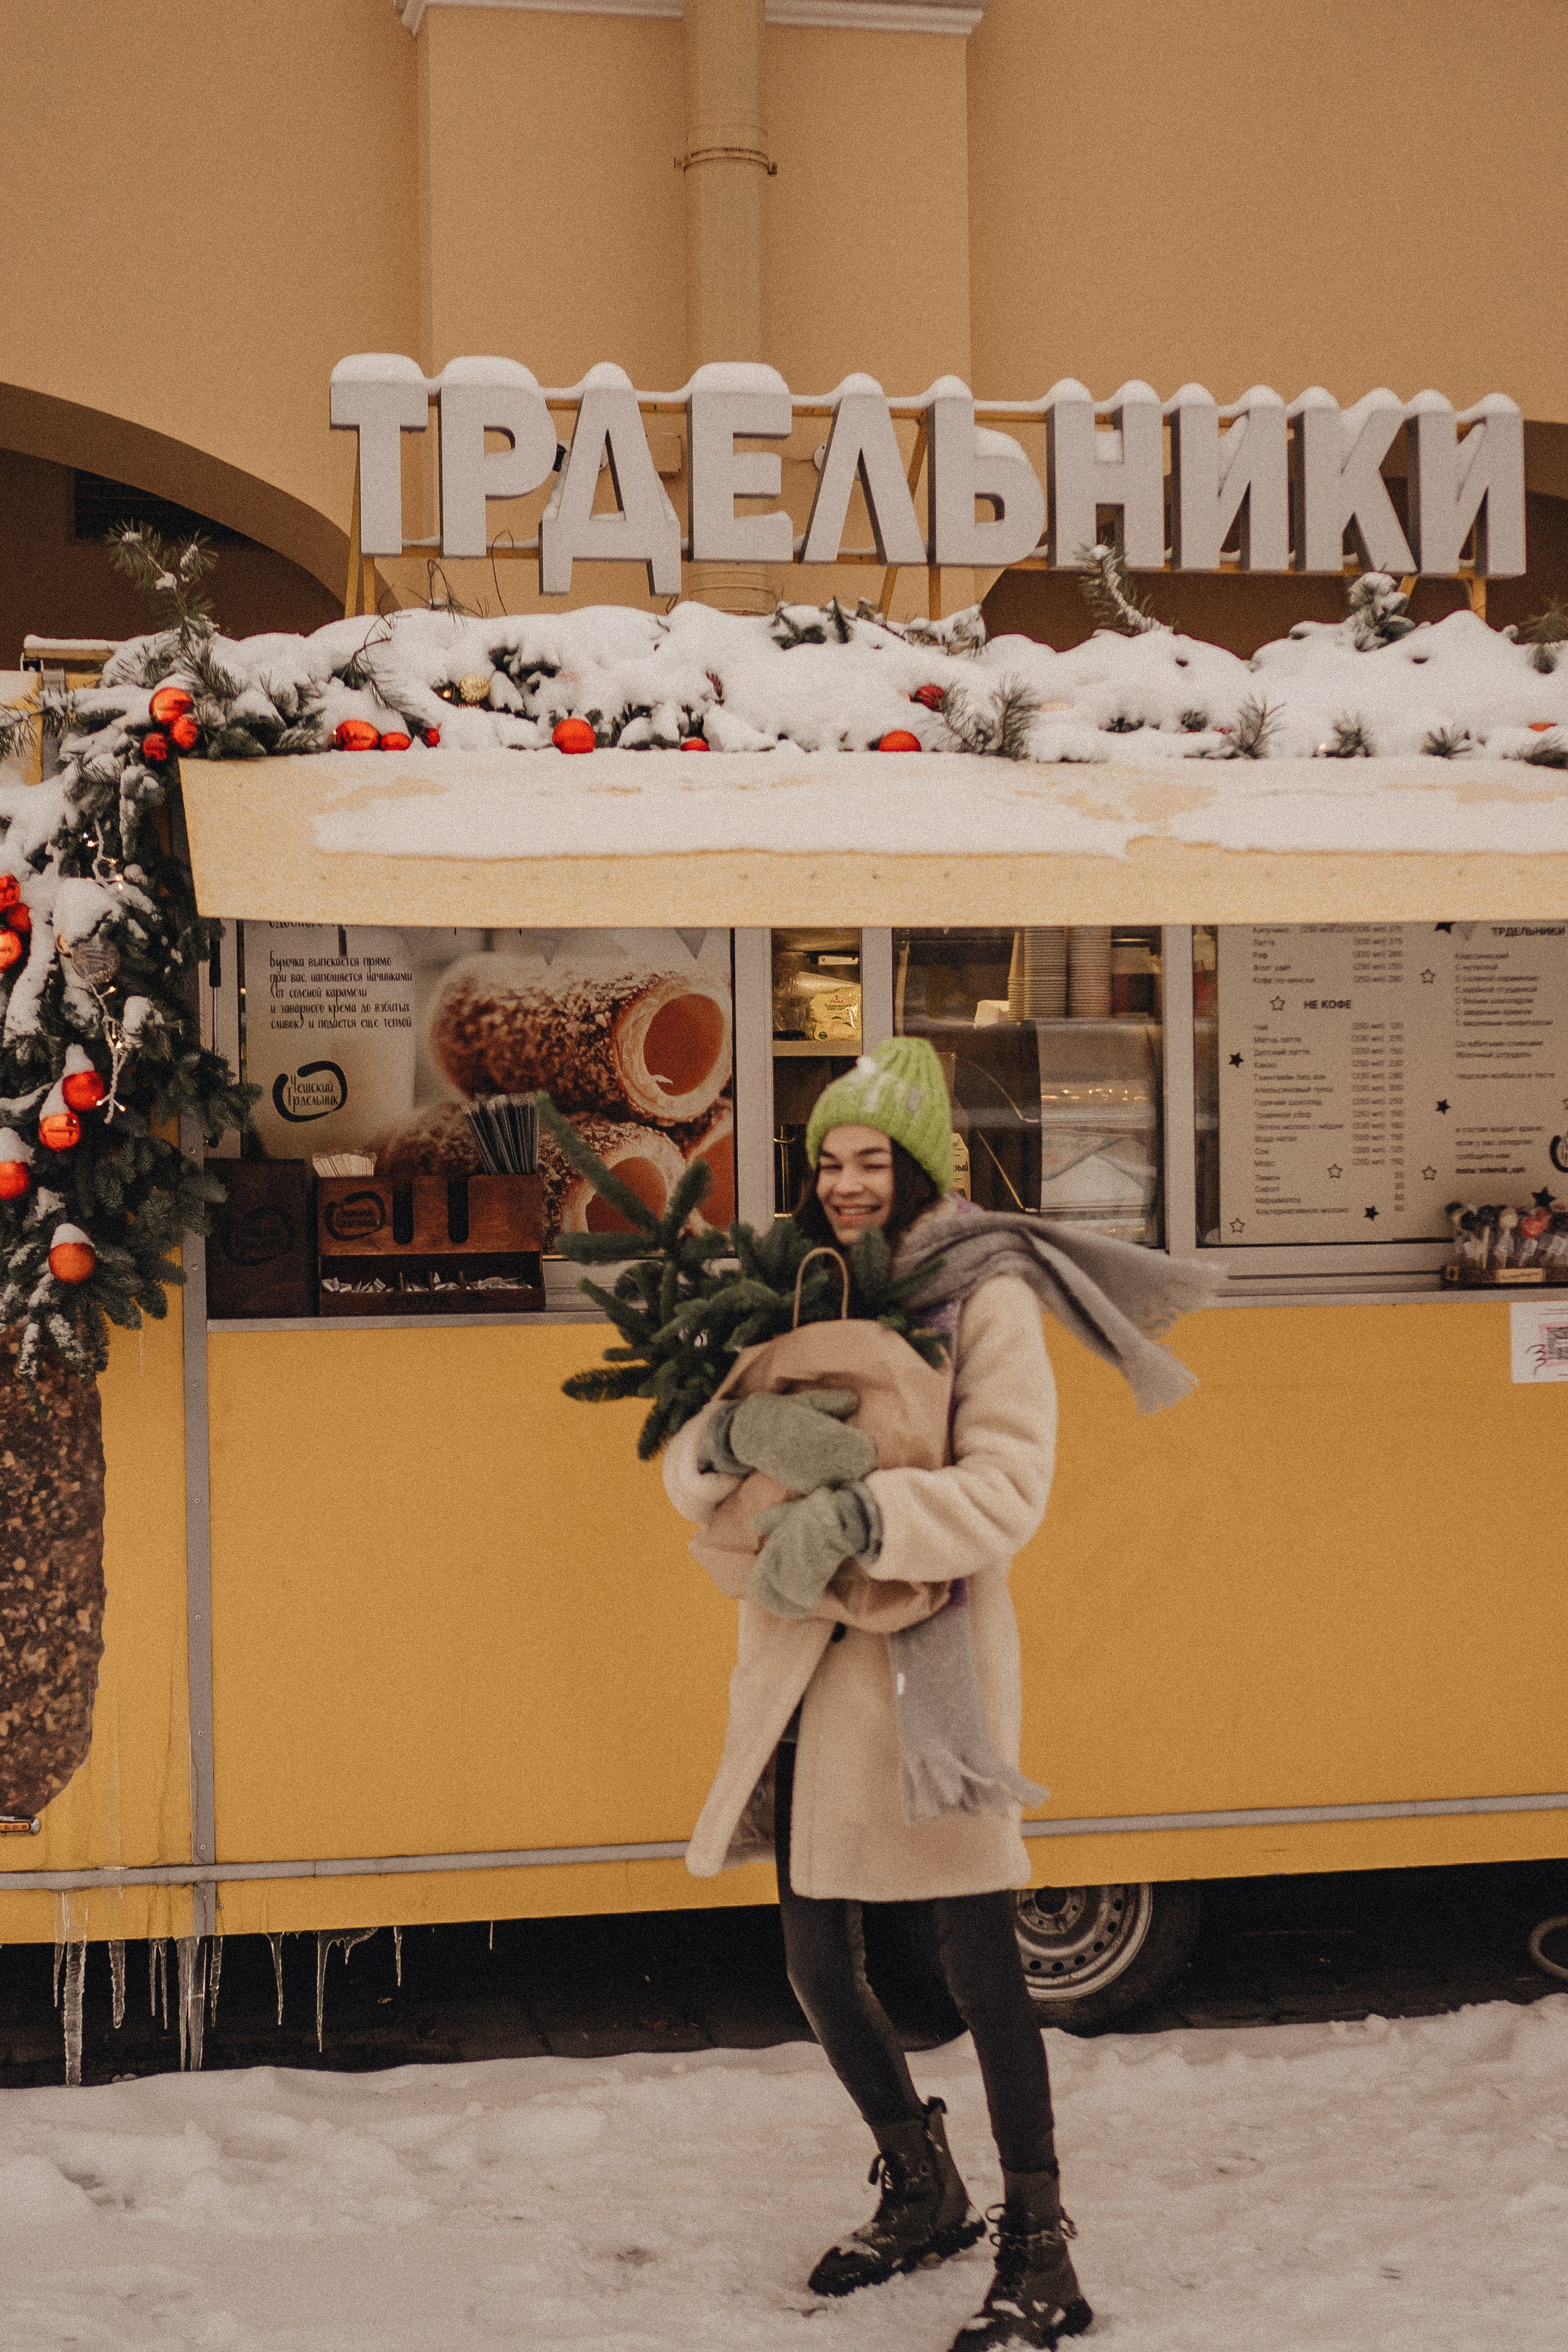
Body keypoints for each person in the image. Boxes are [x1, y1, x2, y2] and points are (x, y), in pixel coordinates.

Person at [662, 1036, 1093, 2351]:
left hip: (926, 1676)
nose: (847, 1183)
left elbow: (1010, 1489)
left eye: (872, 1160)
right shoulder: (791, 1283)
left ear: (919, 1166)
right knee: (812, 1960)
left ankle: (1040, 2250)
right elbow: (690, 1457)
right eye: (828, 1160)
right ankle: (922, 2185)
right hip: (798, 1660)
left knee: (976, 1970)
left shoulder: (987, 1296)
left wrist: (861, 1508)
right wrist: (728, 1439)